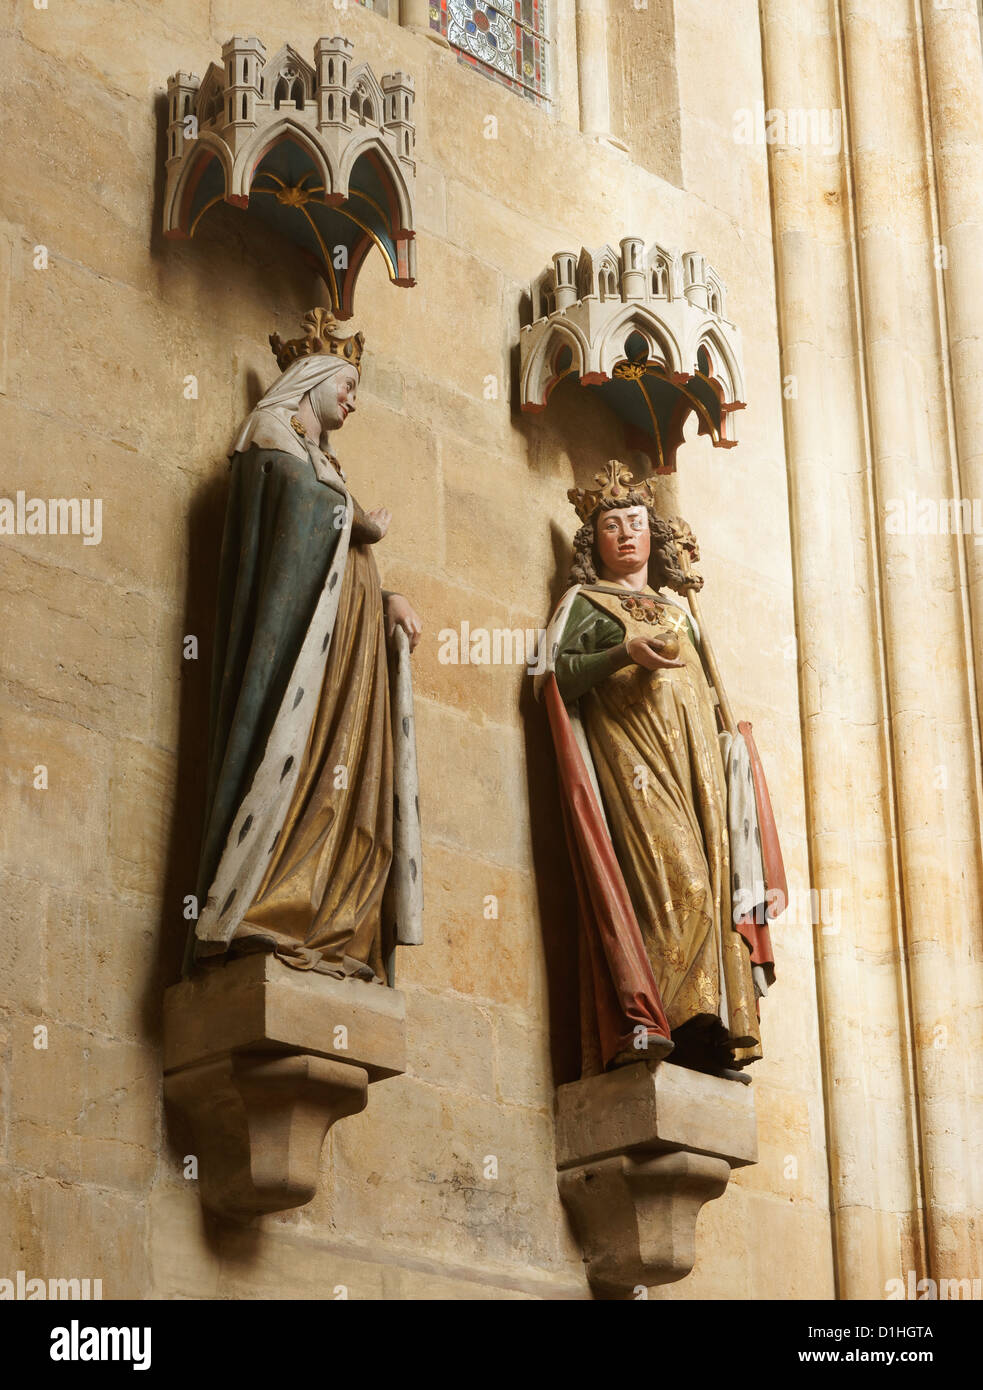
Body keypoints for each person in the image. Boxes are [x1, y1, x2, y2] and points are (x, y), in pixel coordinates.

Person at [187, 308, 423, 985]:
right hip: (299, 651)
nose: (352, 400)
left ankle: (330, 920)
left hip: (343, 645)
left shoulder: (321, 457)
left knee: (347, 771)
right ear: (311, 378)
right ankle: (266, 906)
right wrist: (356, 523)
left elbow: (336, 557)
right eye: (345, 386)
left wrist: (384, 597)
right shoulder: (269, 434)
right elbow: (293, 518)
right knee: (295, 757)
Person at [536, 461, 766, 1075]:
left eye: (635, 521)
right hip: (634, 772)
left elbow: (712, 698)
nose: (626, 534)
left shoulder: (681, 612)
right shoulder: (583, 604)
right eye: (611, 525)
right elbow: (556, 679)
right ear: (596, 541)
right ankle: (665, 1019)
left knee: (709, 890)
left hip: (695, 779)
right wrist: (619, 652)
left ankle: (707, 1023)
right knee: (678, 883)